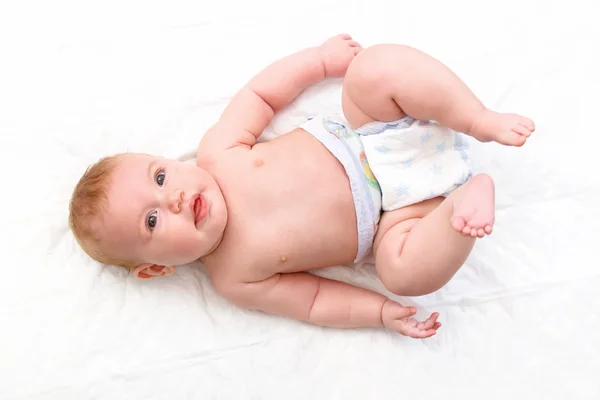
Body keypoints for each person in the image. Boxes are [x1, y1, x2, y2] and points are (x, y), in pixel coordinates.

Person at [69, 34, 535, 338]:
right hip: (397, 218)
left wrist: (320, 61)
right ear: (154, 268)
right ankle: (461, 211)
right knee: (405, 274)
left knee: (374, 68)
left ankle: (477, 118)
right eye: (151, 220)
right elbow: (314, 301)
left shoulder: (218, 152)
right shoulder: (235, 278)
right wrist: (379, 313)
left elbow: (263, 94)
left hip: (374, 133)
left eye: (160, 176)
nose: (170, 198)